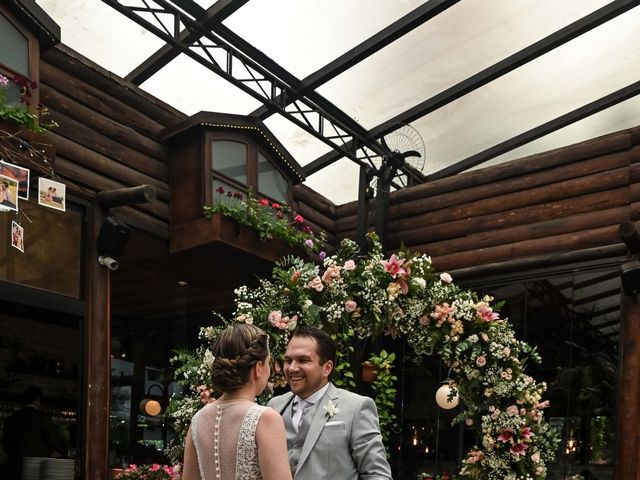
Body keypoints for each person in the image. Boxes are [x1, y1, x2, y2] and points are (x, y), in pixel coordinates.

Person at [267, 326, 392, 479]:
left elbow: (377, 475)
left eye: (303, 360)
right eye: (288, 360)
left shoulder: (357, 408)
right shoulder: (273, 407)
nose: (292, 368)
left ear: (327, 368)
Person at [183, 324, 292, 480]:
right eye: (268, 363)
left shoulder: (198, 420)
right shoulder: (265, 418)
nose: (270, 370)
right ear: (258, 367)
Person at [2, 386, 68, 480]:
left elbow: (6, 447)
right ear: (37, 400)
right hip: (37, 468)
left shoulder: (11, 419)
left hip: (15, 468)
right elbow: (53, 439)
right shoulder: (41, 417)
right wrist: (66, 452)